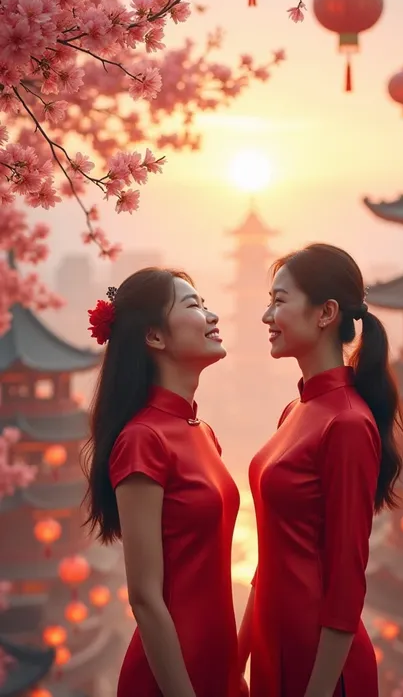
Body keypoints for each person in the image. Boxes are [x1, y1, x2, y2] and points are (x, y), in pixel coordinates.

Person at [238, 244, 403, 697]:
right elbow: (269, 558)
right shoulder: (296, 409)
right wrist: (236, 660)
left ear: (325, 313)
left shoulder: (348, 423)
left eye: (279, 300)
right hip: (275, 647)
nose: (265, 315)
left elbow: (347, 581)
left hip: (323, 667)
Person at [82, 268, 241, 697]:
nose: (211, 316)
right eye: (194, 306)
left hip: (220, 663)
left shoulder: (202, 432)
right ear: (155, 337)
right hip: (170, 677)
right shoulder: (142, 440)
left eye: (206, 304)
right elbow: (145, 598)